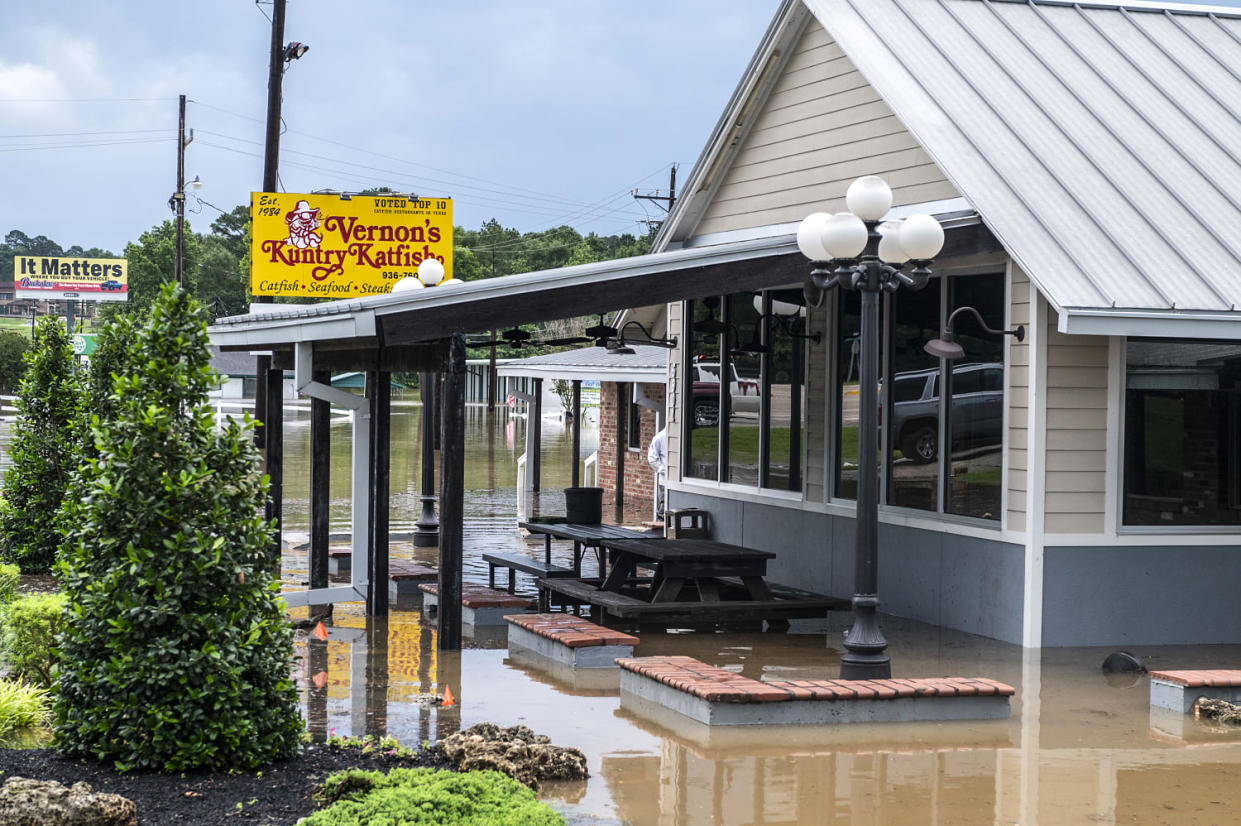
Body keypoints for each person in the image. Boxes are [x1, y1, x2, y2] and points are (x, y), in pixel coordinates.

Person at [647, 426, 667, 520]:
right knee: (664, 510)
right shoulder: (660, 437)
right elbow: (652, 458)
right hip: (664, 482)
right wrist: (665, 471)